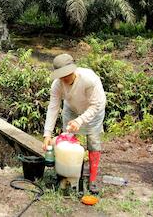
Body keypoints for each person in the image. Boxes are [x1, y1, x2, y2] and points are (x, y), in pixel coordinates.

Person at [42, 53, 106, 194]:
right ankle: (66, 174)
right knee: (66, 140)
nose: (64, 78)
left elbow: (95, 105)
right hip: (71, 109)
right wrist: (47, 134)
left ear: (73, 70)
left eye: (67, 74)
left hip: (93, 109)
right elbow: (53, 108)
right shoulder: (57, 85)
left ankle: (93, 179)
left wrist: (80, 120)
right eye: (61, 75)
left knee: (93, 141)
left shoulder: (88, 79)